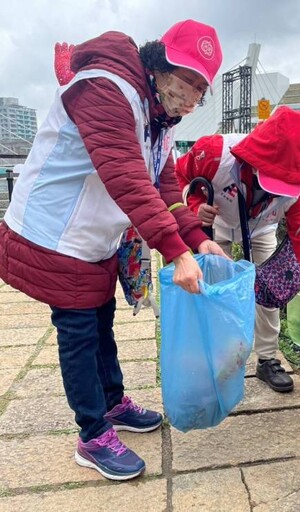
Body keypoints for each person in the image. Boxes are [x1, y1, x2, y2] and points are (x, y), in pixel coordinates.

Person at [0, 19, 227, 481]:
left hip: (93, 233)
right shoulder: (106, 87)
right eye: (185, 80)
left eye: (200, 89)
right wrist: (176, 252)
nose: (191, 96)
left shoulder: (158, 115)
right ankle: (92, 433)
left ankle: (113, 400)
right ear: (160, 65)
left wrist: (198, 240)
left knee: (101, 318)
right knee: (79, 330)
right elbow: (125, 175)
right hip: (56, 230)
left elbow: (164, 187)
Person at [175, 106, 300, 393]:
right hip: (217, 223)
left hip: (262, 227)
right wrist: (193, 207)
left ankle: (267, 359)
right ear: (252, 159)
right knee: (219, 294)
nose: (279, 191)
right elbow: (177, 177)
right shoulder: (214, 153)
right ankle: (222, 361)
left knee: (268, 293)